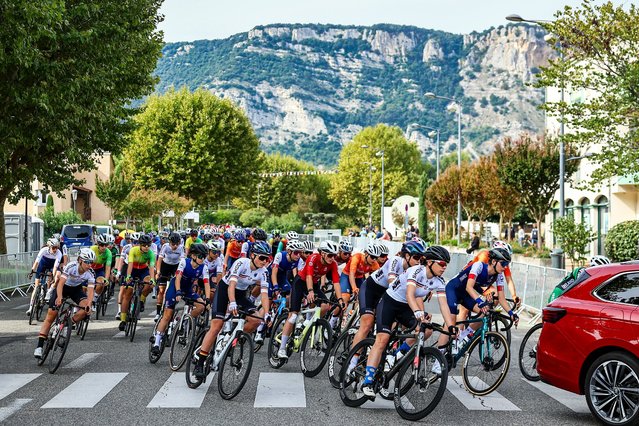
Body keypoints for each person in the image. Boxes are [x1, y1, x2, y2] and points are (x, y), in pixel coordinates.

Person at [360, 246, 451, 397]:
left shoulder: (439, 281)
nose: (444, 267)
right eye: (442, 263)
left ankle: (395, 355)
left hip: (404, 308)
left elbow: (443, 305)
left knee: (427, 330)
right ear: (429, 262)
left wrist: (451, 326)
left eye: (446, 264)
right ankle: (368, 381)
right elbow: (410, 294)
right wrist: (418, 313)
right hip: (389, 302)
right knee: (382, 340)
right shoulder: (416, 271)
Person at [192, 241, 272, 378]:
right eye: (262, 258)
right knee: (217, 326)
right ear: (252, 255)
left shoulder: (264, 272)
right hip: (225, 289)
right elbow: (231, 285)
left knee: (256, 320)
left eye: (267, 258)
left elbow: (264, 295)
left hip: (240, 294)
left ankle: (231, 340)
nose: (265, 261)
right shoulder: (242, 263)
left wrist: (267, 313)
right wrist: (233, 302)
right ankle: (200, 361)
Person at [348, 240, 426, 370]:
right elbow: (392, 282)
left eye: (422, 259)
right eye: (417, 257)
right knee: (367, 323)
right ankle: (352, 360)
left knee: (391, 325)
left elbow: (415, 295)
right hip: (372, 289)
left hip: (387, 295)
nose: (419, 261)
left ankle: (384, 354)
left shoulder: (416, 271)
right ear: (407, 256)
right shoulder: (396, 260)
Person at [277, 240, 339, 360]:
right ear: (322, 253)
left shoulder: (333, 264)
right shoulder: (313, 258)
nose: (333, 258)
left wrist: (341, 299)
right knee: (293, 316)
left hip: (313, 284)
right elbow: (309, 275)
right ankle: (282, 348)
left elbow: (336, 282)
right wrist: (310, 291)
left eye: (335, 255)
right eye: (330, 255)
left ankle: (307, 323)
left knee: (326, 306)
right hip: (300, 282)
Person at [34, 248, 96, 358]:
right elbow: (61, 283)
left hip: (76, 290)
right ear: (80, 260)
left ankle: (67, 325)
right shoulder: (71, 266)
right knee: (51, 316)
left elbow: (91, 291)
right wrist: (59, 298)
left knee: (85, 310)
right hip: (63, 288)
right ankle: (39, 346)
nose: (89, 265)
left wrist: (89, 304)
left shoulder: (90, 273)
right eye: (87, 262)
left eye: (91, 262)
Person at [151, 243, 210, 356]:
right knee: (167, 315)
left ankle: (186, 321)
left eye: (204, 257)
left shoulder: (204, 267)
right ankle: (157, 342)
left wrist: (207, 299)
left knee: (201, 306)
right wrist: (178, 291)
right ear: (193, 256)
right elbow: (177, 278)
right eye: (201, 256)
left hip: (188, 290)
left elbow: (206, 284)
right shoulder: (184, 262)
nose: (203, 259)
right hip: (175, 287)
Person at [119, 234, 156, 331]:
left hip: (143, 270)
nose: (146, 247)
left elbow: (151, 267)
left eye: (148, 245)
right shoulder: (133, 250)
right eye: (144, 245)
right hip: (133, 269)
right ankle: (123, 320)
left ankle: (141, 300)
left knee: (149, 284)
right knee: (127, 294)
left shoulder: (151, 253)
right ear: (140, 244)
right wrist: (128, 276)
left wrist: (152, 279)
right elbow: (130, 265)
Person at [154, 232, 185, 321]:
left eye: (177, 244)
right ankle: (158, 312)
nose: (175, 246)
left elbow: (182, 261)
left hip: (175, 266)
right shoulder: (166, 246)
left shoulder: (181, 248)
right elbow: (159, 259)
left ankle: (170, 308)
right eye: (173, 244)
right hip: (165, 266)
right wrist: (158, 271)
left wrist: (180, 274)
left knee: (174, 287)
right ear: (169, 242)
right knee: (161, 290)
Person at [27, 237, 63, 315]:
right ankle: (30, 308)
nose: (55, 250)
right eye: (53, 248)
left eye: (57, 248)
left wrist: (53, 276)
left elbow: (55, 267)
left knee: (58, 276)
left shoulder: (59, 253)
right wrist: (32, 270)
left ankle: (49, 292)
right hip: (42, 264)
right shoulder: (43, 250)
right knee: (36, 286)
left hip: (52, 265)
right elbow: (37, 262)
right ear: (49, 247)